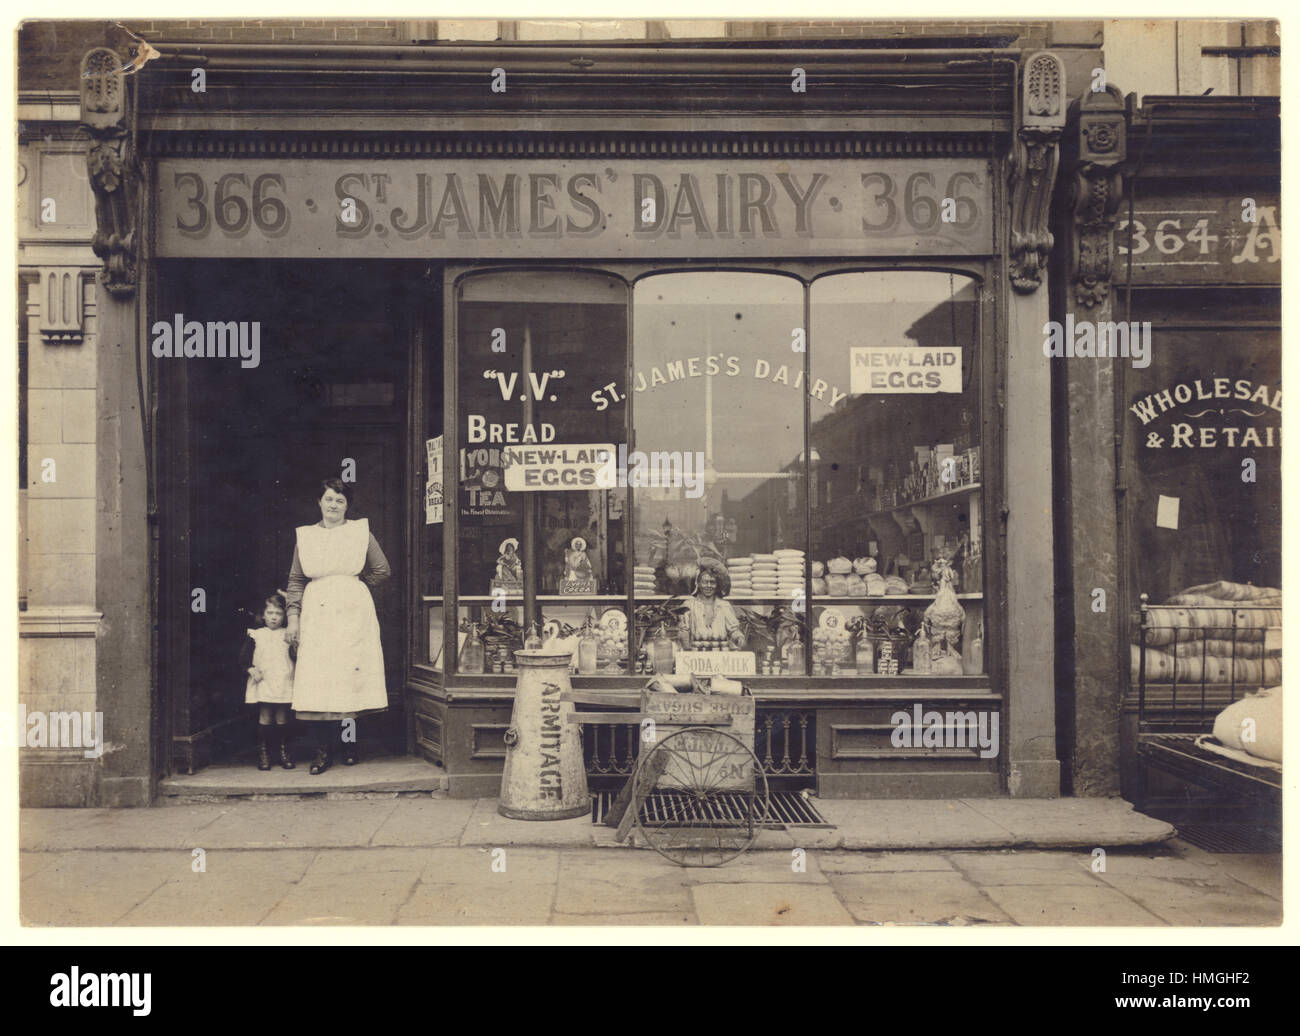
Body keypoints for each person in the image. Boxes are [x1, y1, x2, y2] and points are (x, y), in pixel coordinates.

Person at [285, 478, 391, 774]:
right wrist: (293, 618)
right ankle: (323, 752)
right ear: (319, 502)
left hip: (351, 613)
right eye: (329, 499)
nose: (333, 505)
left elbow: (382, 570)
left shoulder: (360, 533)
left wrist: (353, 589)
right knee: (321, 679)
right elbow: (295, 580)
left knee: (349, 677)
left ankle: (349, 744)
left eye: (340, 501)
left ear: (348, 505)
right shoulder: (305, 537)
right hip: (317, 614)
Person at [241, 591, 295, 771]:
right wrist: (251, 669)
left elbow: (295, 656)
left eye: (278, 614)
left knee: (282, 715)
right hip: (264, 680)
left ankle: (283, 752)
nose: (274, 618)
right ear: (263, 615)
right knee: (265, 715)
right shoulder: (256, 635)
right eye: (270, 613)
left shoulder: (288, 634)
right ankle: (264, 754)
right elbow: (243, 658)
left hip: (283, 679)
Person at [683, 557, 746, 648]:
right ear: (698, 583)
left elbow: (733, 630)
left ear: (717, 585)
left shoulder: (724, 606)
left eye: (712, 582)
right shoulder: (689, 605)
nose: (708, 586)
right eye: (705, 582)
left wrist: (739, 638)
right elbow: (684, 631)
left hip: (720, 655)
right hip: (696, 657)